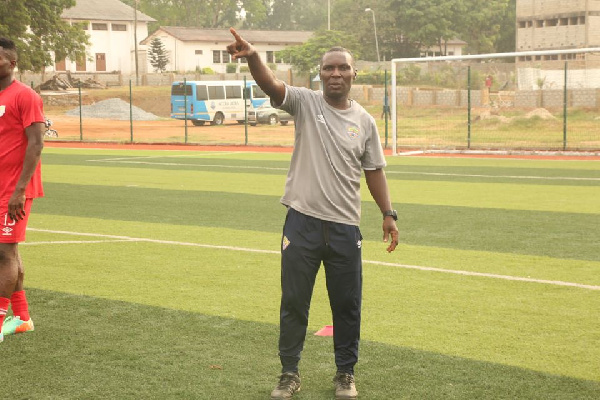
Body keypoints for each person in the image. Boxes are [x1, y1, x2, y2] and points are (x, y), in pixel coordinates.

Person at [227, 28, 399, 400]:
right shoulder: (306, 103)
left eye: (343, 68)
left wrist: (388, 213)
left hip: (344, 228)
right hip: (302, 223)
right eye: (328, 69)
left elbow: (374, 170)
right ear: (319, 74)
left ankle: (345, 375)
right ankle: (289, 373)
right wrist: (254, 56)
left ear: (354, 74)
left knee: (347, 305)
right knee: (294, 302)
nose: (335, 74)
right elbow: (273, 86)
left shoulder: (365, 122)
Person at [0, 37, 45, 343]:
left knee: (4, 253)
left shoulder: (25, 96)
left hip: (14, 190)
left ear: (11, 63)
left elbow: (37, 143)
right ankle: (23, 318)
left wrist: (20, 190)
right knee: (8, 251)